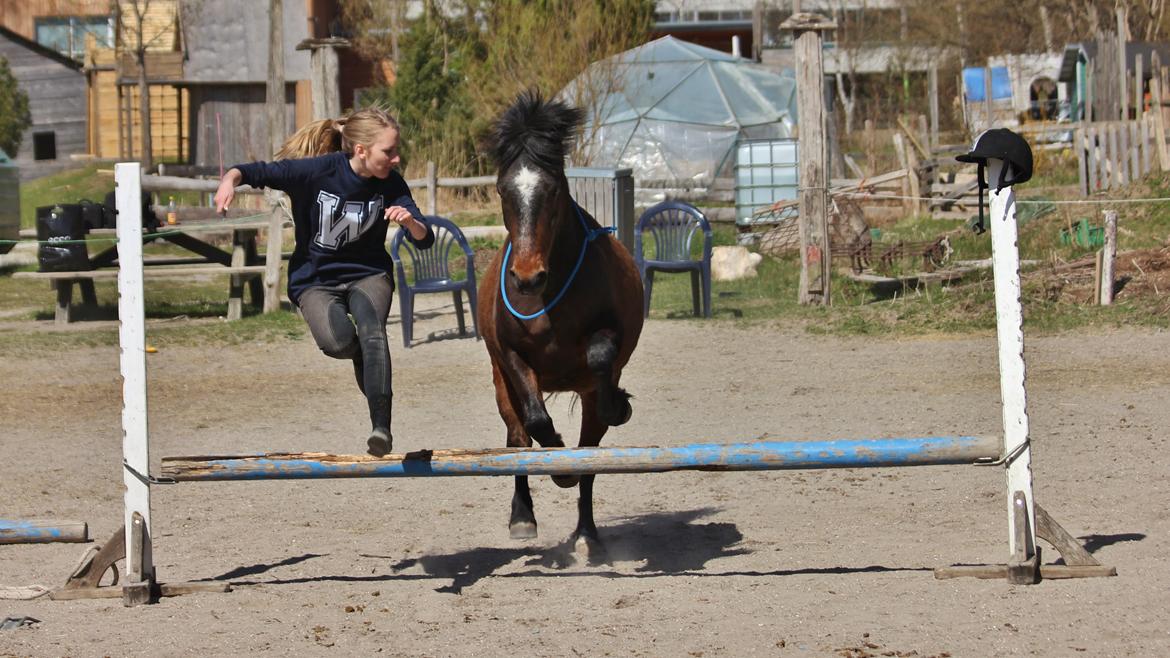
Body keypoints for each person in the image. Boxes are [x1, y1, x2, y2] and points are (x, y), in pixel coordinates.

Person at [213, 107, 434, 457]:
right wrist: (230, 180)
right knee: (339, 343)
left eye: (396, 150)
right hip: (315, 279)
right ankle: (366, 358)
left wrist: (410, 222)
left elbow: (425, 237)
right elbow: (260, 171)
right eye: (388, 151)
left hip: (368, 274)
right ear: (362, 150)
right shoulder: (318, 171)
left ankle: (381, 428)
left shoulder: (392, 183)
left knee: (372, 329)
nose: (396, 158)